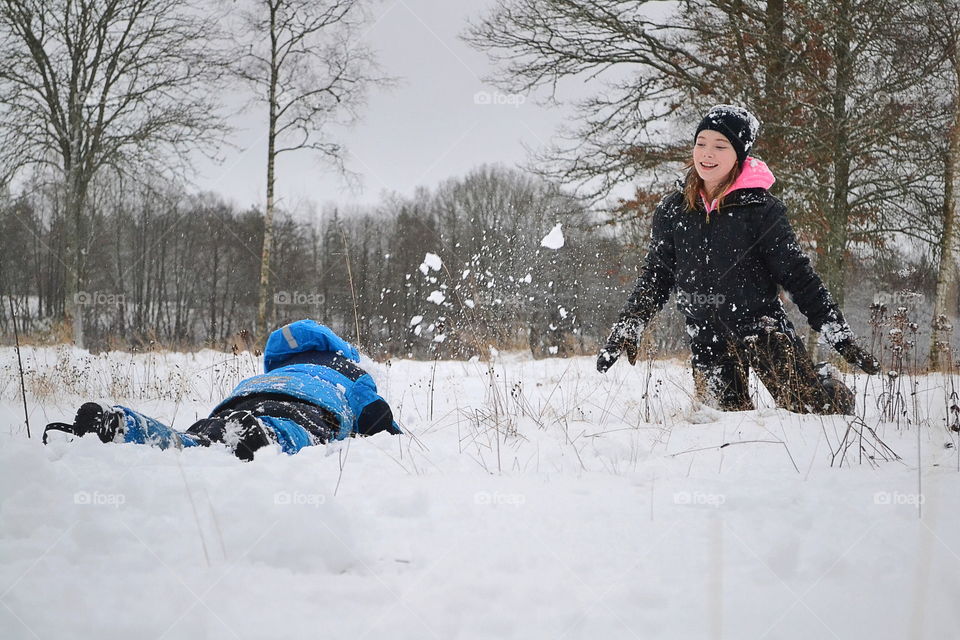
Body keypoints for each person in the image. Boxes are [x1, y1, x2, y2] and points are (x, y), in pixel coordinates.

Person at [596, 104, 879, 415]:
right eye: (701, 143)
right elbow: (656, 276)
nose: (707, 153)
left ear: (739, 155)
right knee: (720, 423)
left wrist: (836, 330)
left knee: (812, 409)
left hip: (762, 330)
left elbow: (798, 275)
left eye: (720, 146)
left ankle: (827, 386)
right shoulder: (673, 210)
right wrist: (630, 322)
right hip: (707, 336)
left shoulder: (761, 209)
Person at [43, 320, 401, 460]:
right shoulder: (348, 370)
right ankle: (263, 435)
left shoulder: (274, 372)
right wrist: (396, 435)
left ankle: (124, 423)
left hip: (240, 401)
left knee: (197, 441)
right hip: (304, 410)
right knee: (287, 431)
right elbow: (375, 416)